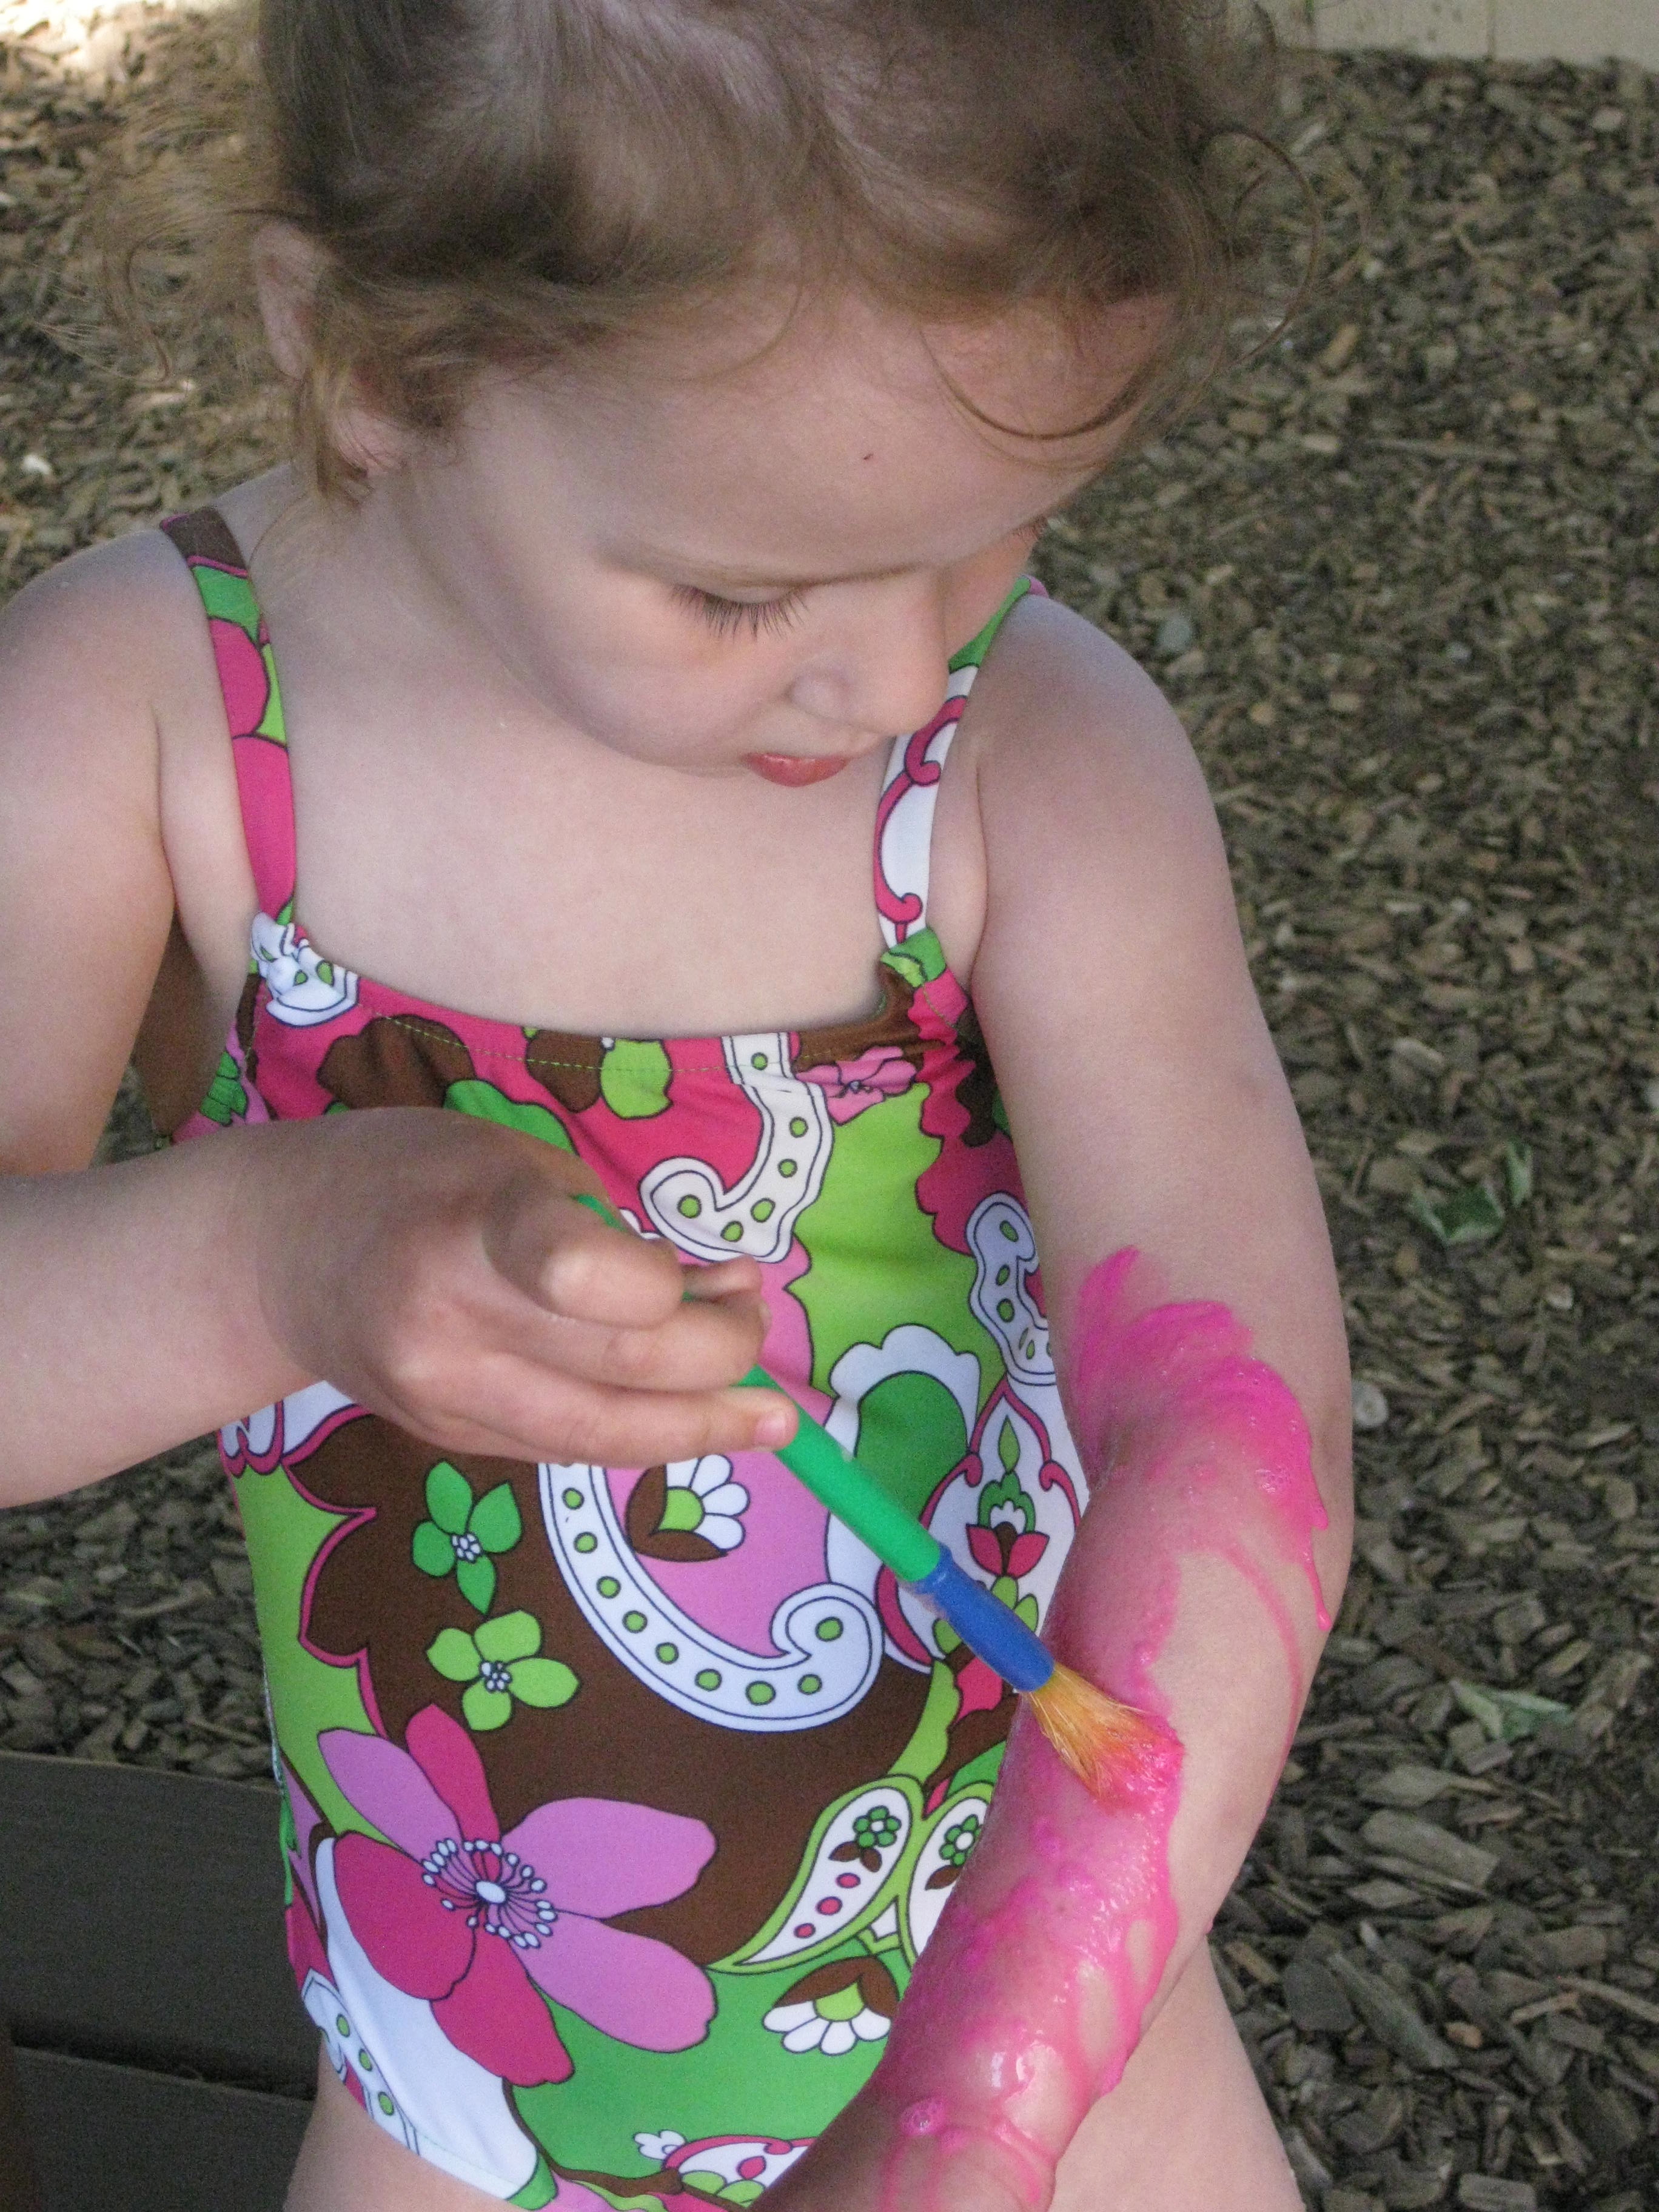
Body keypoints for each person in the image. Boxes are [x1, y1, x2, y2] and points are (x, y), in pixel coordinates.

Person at [0, 2, 1354, 2206]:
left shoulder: (1024, 763)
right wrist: (276, 1258)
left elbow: (1234, 1427)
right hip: (457, 2088)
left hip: (1047, 2034)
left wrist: (975, 2113)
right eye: (739, 591)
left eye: (1000, 535)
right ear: (371, 360)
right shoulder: (145, 715)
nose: (898, 674)